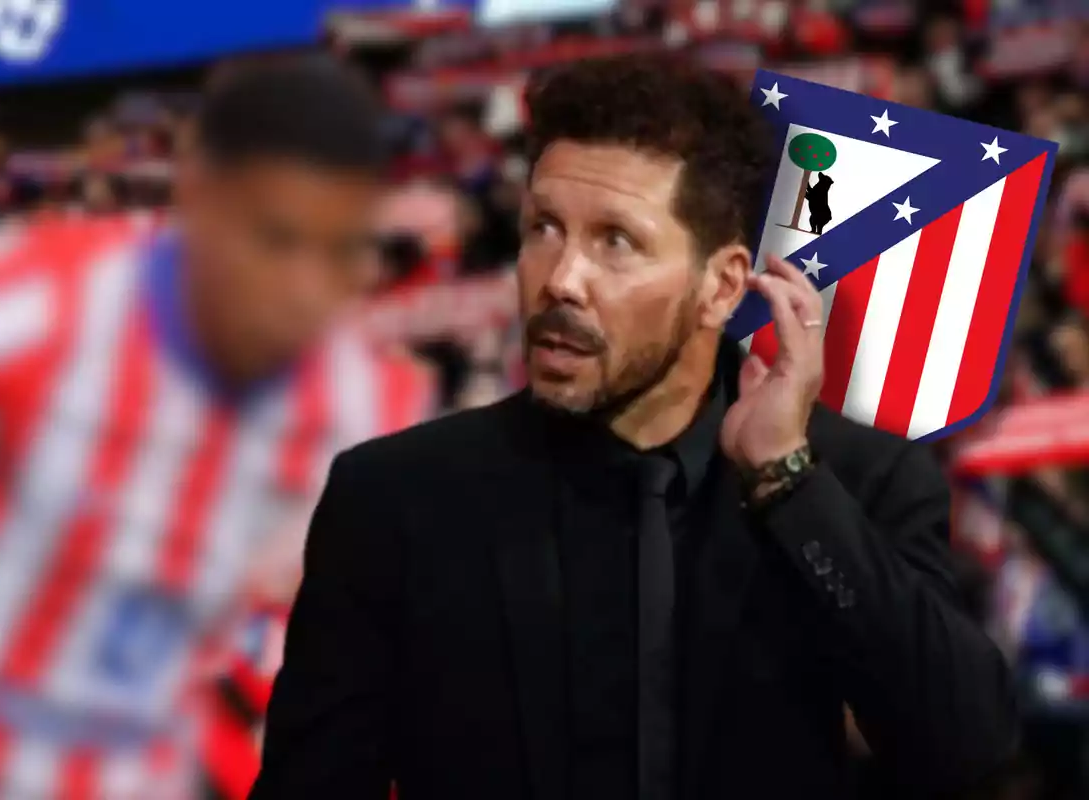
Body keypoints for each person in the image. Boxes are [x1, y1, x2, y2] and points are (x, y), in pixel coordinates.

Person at [252, 53, 1017, 800]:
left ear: (720, 288)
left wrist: (786, 482)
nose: (560, 278)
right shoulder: (393, 499)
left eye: (615, 241)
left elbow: (963, 751)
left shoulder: (859, 483)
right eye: (543, 228)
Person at [0, 58, 434, 799]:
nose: (304, 291)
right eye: (274, 241)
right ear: (199, 196)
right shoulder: (47, 310)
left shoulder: (360, 411)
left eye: (339, 252)